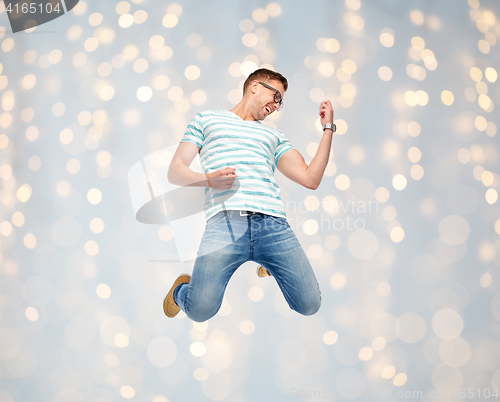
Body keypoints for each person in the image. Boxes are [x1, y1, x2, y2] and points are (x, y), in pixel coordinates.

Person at [163, 68, 335, 322]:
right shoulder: (206, 120)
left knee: (309, 304)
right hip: (225, 224)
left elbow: (311, 179)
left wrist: (328, 128)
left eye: (281, 102)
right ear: (254, 86)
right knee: (200, 310)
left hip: (273, 225)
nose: (276, 106)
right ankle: (181, 290)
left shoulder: (273, 136)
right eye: (275, 96)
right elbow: (175, 171)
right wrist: (208, 180)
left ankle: (271, 264)